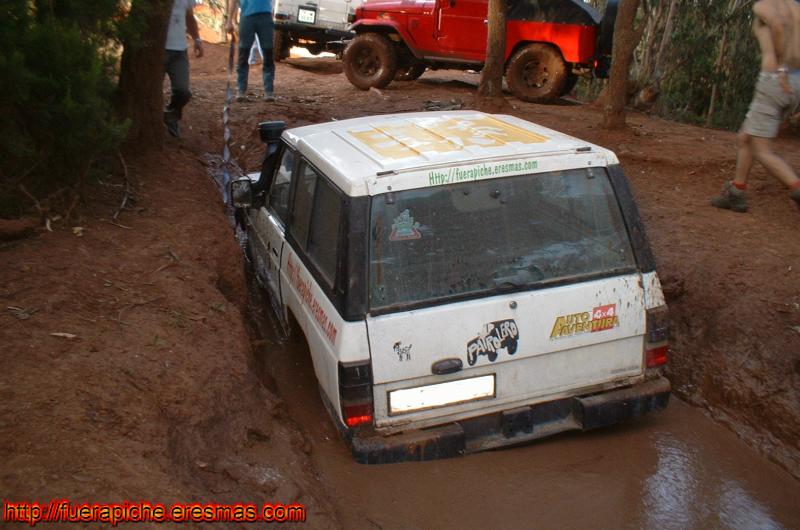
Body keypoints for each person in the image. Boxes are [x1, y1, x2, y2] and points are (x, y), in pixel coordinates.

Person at [711, 0, 800, 212]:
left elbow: (777, 26)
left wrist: (781, 67)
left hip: (775, 80)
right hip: (795, 83)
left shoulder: (766, 5)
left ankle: (795, 186)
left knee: (762, 150)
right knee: (746, 136)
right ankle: (737, 191)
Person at [164, 0, 203, 138]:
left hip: (180, 50)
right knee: (151, 90)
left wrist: (197, 39)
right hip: (158, 49)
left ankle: (171, 115)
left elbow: (189, 16)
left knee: (183, 92)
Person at [226, 0, 275, 102]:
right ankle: (241, 90)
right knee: (243, 53)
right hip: (247, 16)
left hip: (265, 16)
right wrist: (229, 20)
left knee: (268, 54)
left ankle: (269, 91)